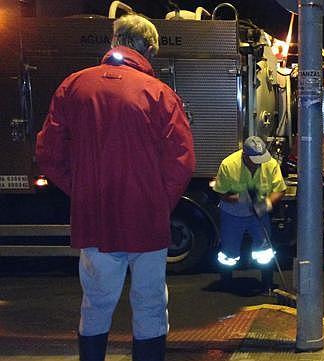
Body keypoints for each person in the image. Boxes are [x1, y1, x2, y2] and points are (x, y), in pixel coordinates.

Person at [35, 14, 195, 361]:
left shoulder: (74, 85)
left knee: (95, 303)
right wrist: (157, 203)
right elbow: (182, 162)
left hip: (95, 218)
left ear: (114, 42)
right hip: (147, 224)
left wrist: (81, 191)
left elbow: (48, 153)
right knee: (150, 304)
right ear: (148, 48)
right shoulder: (159, 94)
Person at [211, 136, 287, 288]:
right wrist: (235, 198)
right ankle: (226, 282)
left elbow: (280, 189)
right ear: (244, 155)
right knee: (229, 253)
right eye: (255, 159)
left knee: (264, 251)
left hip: (259, 212)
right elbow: (220, 192)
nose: (259, 162)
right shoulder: (228, 165)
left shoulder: (270, 164)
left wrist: (266, 204)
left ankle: (267, 283)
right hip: (232, 214)